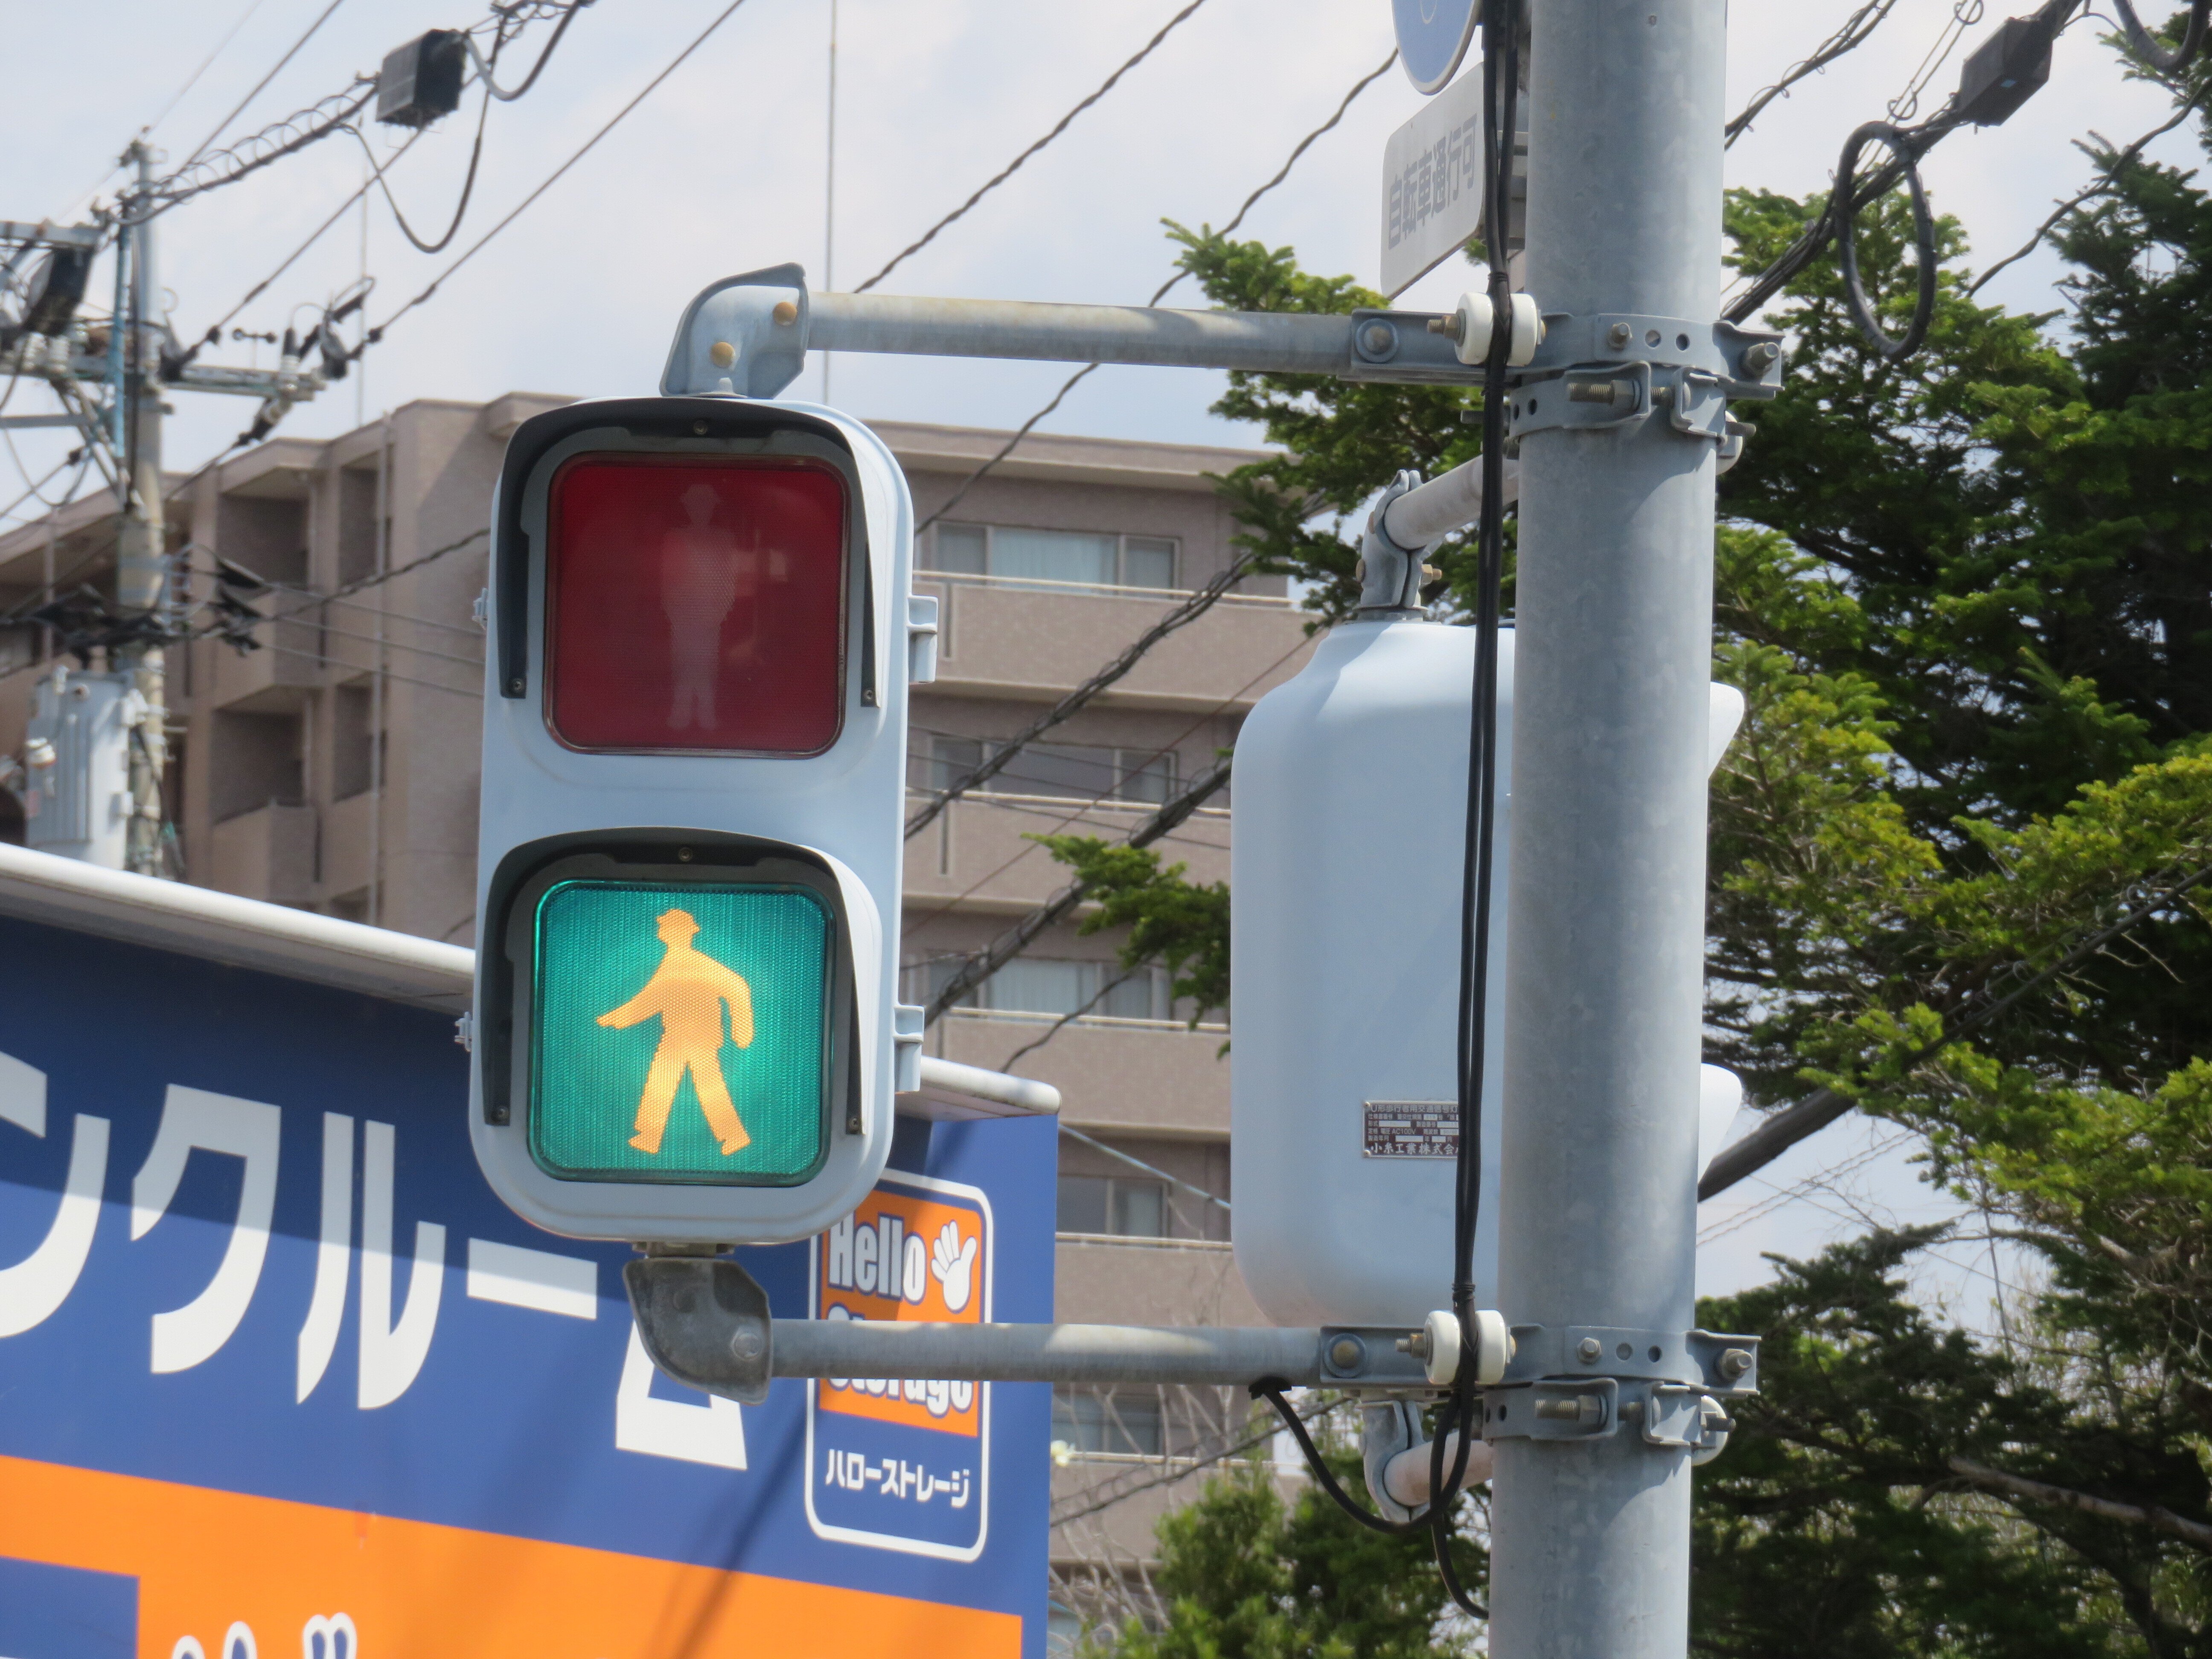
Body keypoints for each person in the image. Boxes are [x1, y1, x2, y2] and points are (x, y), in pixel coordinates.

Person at [597, 907, 754, 1155]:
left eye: (665, 926)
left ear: (677, 932)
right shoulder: (671, 962)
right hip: (677, 1036)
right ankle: (650, 1137)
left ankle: (734, 1136)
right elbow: (651, 999)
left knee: (706, 1087)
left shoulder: (696, 962)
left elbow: (737, 986)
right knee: (663, 1081)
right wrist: (617, 1018)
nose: (660, 930)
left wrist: (743, 1028)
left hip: (700, 1038)